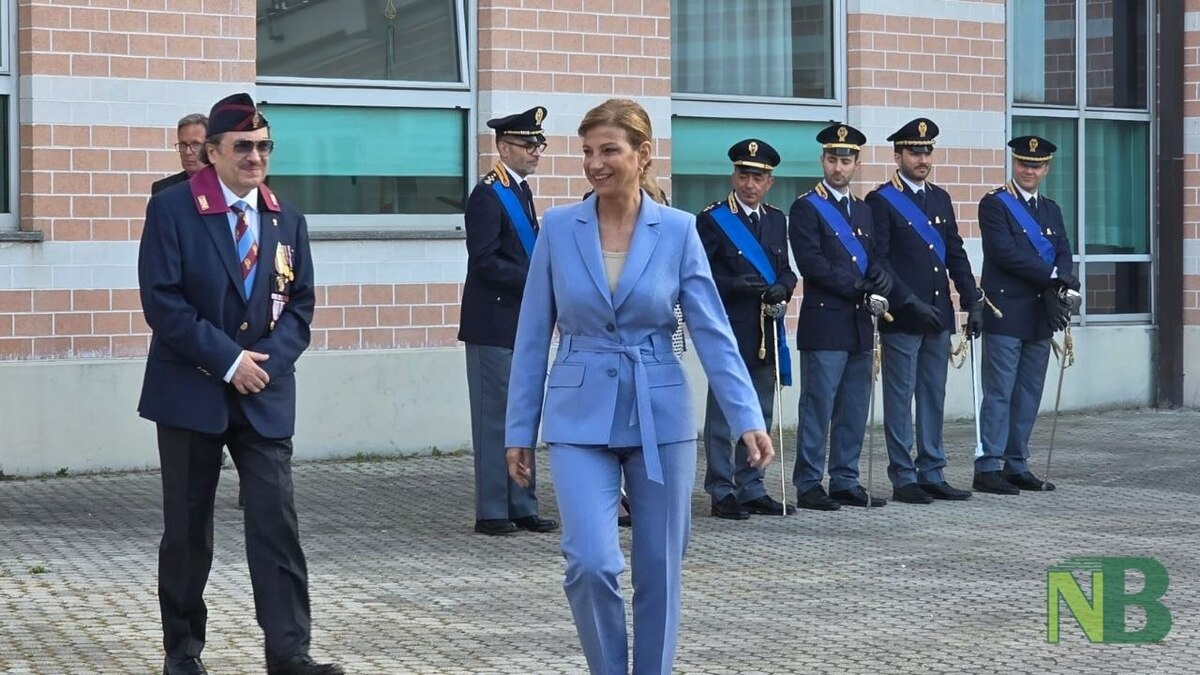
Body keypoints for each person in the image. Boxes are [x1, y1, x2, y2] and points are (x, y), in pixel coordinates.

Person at [504, 98, 774, 675]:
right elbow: (531, 339)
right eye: (587, 152)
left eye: (609, 150)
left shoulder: (677, 231)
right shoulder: (556, 228)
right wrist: (517, 431)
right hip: (578, 414)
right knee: (590, 563)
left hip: (661, 413)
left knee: (660, 566)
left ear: (642, 154)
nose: (595, 164)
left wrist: (748, 416)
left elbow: (712, 330)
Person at [138, 93, 343, 675]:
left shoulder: (286, 218)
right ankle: (182, 654)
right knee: (187, 531)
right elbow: (163, 302)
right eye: (243, 147)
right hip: (192, 391)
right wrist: (231, 361)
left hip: (265, 395)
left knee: (276, 526)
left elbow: (299, 306)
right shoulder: (174, 209)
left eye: (264, 146)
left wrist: (268, 364)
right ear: (213, 152)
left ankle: (289, 653)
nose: (256, 157)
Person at [865, 118, 978, 505]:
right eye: (915, 151)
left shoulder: (941, 198)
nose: (922, 158)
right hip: (904, 315)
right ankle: (903, 475)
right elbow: (878, 261)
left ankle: (932, 470)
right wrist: (908, 301)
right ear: (898, 155)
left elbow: (955, 254)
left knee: (933, 394)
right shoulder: (880, 200)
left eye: (927, 151)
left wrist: (970, 297)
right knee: (900, 398)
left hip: (939, 314)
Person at [457, 106, 559, 537]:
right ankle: (492, 509)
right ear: (503, 147)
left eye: (540, 143)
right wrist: (537, 279)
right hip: (494, 322)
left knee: (523, 415)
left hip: (520, 322)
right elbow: (483, 262)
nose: (537, 151)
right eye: (528, 144)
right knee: (495, 418)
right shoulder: (487, 194)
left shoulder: (520, 192)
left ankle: (523, 503)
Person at [788, 122, 893, 511]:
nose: (838, 167)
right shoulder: (806, 207)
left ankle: (845, 478)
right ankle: (809, 482)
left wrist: (880, 276)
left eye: (845, 161)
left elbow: (876, 256)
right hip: (825, 321)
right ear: (823, 160)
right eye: (832, 159)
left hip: (861, 323)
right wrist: (859, 287)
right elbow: (811, 263)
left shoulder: (864, 210)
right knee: (818, 405)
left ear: (856, 163)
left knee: (853, 406)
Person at [695, 138, 797, 519]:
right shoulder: (713, 218)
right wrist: (735, 284)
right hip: (731, 327)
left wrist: (784, 286)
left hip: (766, 329)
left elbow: (786, 268)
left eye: (758, 177)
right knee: (723, 415)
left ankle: (751, 485)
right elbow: (699, 275)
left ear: (769, 181)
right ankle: (722, 489)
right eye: (743, 175)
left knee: (760, 410)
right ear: (733, 176)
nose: (749, 183)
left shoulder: (775, 218)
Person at [973, 135, 1078, 495]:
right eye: (1022, 163)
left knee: (1029, 392)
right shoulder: (995, 204)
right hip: (1005, 309)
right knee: (999, 391)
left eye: (1035, 165)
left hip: (1039, 312)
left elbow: (1063, 249)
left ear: (1046, 169)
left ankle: (1017, 463)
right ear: (1014, 164)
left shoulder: (1050, 209)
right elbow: (1003, 253)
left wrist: (1067, 278)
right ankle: (988, 465)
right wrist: (1053, 276)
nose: (1028, 170)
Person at [152, 113, 208, 194]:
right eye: (183, 145)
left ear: (210, 148)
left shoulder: (226, 185)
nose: (187, 152)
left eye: (196, 144)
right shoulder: (163, 189)